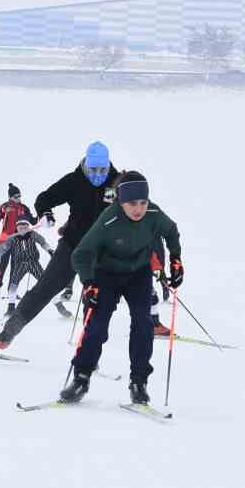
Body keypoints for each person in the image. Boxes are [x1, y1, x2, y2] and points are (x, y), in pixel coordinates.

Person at [0, 141, 121, 352]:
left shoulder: (117, 183)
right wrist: (46, 213)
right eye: (93, 169)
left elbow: (135, 209)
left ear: (108, 166)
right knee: (44, 289)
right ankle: (6, 335)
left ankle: (88, 351)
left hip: (102, 251)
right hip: (72, 245)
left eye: (102, 170)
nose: (97, 175)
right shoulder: (74, 180)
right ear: (85, 165)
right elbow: (43, 199)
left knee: (97, 299)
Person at [58, 172, 182, 406]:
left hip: (139, 274)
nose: (138, 209)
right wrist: (89, 283)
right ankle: (81, 377)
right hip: (106, 274)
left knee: (144, 324)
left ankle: (139, 382)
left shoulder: (154, 214)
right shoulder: (108, 219)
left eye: (143, 202)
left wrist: (176, 259)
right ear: (121, 201)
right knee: (96, 325)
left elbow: (171, 231)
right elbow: (80, 254)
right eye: (132, 203)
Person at [0, 217, 52, 312]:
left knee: (46, 282)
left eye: (25, 227)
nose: (22, 229)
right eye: (20, 227)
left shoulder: (33, 234)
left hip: (33, 263)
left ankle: (59, 306)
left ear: (28, 227)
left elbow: (43, 243)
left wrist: (50, 250)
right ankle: (11, 308)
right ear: (17, 228)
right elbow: (2, 249)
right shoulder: (12, 238)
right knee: (13, 285)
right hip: (20, 264)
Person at [0, 184, 34, 294]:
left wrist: (41, 217)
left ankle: (11, 290)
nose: (19, 198)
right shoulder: (5, 205)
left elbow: (33, 221)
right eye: (16, 196)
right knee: (4, 262)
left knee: (15, 264)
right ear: (10, 197)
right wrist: (3, 211)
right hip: (5, 238)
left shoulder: (24, 208)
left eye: (19, 196)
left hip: (18, 240)